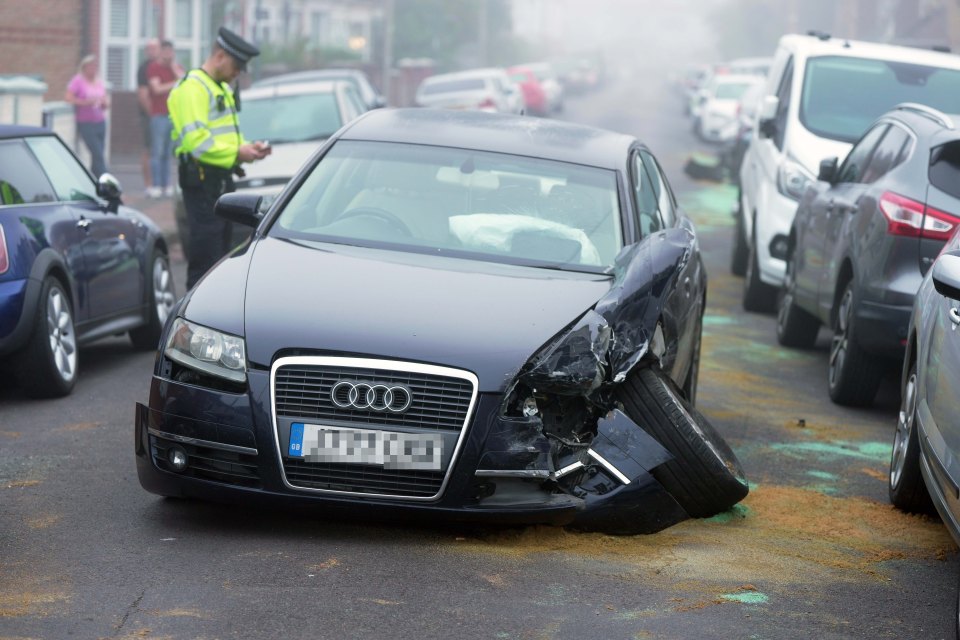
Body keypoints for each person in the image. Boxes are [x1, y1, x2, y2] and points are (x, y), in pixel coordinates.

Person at [167, 26, 271, 289]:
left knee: (222, 258)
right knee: (205, 261)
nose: (239, 72)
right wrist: (238, 153)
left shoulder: (218, 87)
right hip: (202, 186)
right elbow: (198, 143)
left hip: (220, 182)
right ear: (221, 56)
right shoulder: (193, 89)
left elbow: (223, 138)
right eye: (237, 65)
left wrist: (248, 149)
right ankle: (191, 321)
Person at [146, 40, 182, 198]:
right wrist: (175, 83)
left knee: (168, 152)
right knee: (157, 151)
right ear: (160, 52)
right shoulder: (153, 67)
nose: (168, 54)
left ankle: (166, 184)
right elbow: (157, 88)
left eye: (170, 51)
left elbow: (184, 82)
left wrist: (174, 68)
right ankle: (156, 185)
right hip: (159, 115)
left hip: (173, 115)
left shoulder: (175, 67)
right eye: (165, 51)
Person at [65, 53, 110, 178]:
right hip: (86, 122)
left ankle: (95, 180)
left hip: (100, 121)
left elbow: (105, 100)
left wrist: (104, 103)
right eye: (90, 66)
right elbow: (68, 98)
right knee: (97, 153)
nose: (93, 69)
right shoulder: (78, 81)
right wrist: (85, 102)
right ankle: (105, 178)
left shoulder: (99, 82)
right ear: (84, 67)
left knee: (99, 153)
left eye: (95, 67)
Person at [136, 38, 160, 195]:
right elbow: (143, 95)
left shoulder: (164, 67)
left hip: (163, 115)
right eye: (149, 48)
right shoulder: (144, 69)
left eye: (154, 48)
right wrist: (153, 115)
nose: (152, 51)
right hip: (150, 116)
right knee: (148, 150)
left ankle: (160, 184)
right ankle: (149, 185)